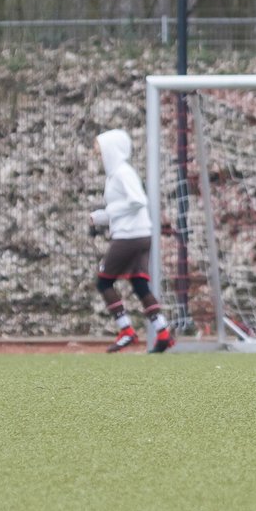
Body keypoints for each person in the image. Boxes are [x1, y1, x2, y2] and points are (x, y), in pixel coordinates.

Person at [90, 129, 175, 354]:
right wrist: (102, 217)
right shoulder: (115, 175)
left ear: (111, 149)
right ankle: (163, 332)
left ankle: (126, 330)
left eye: (99, 149)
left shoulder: (122, 173)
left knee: (104, 281)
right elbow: (122, 208)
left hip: (129, 236)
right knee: (139, 284)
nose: (97, 154)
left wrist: (108, 212)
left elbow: (138, 201)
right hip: (138, 234)